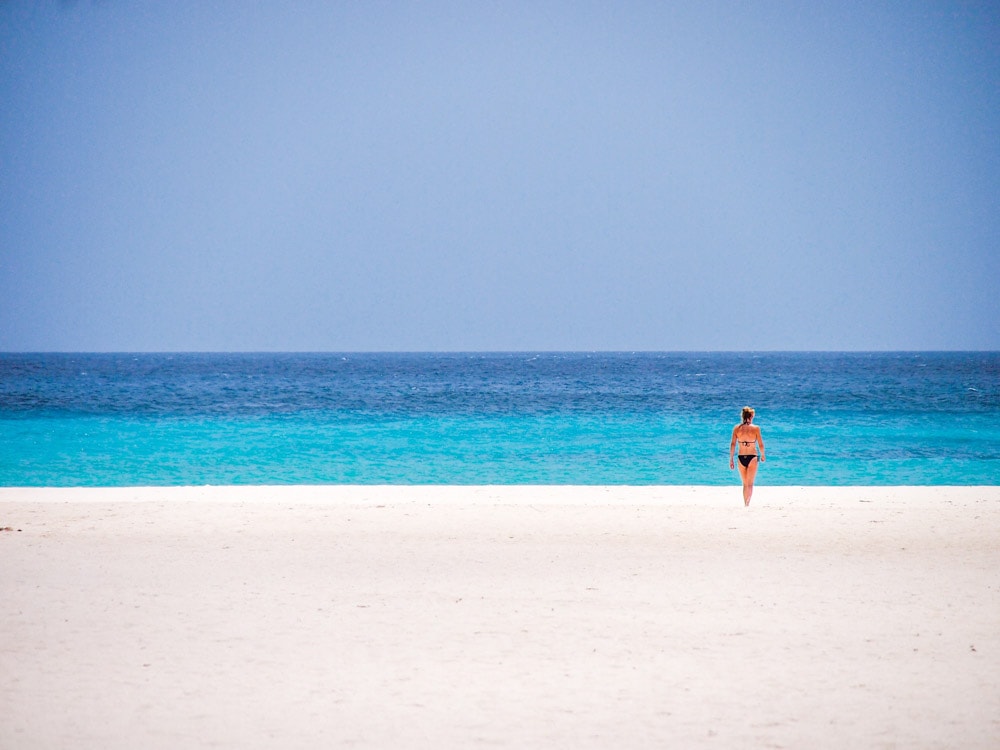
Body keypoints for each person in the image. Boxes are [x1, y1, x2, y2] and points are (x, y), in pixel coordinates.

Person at [730, 406, 765, 507]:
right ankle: (747, 503)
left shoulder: (737, 428)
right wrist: (762, 455)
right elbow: (761, 444)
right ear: (751, 416)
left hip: (741, 457)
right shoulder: (756, 428)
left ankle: (745, 503)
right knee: (750, 483)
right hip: (753, 457)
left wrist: (731, 459)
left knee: (745, 484)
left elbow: (733, 444)